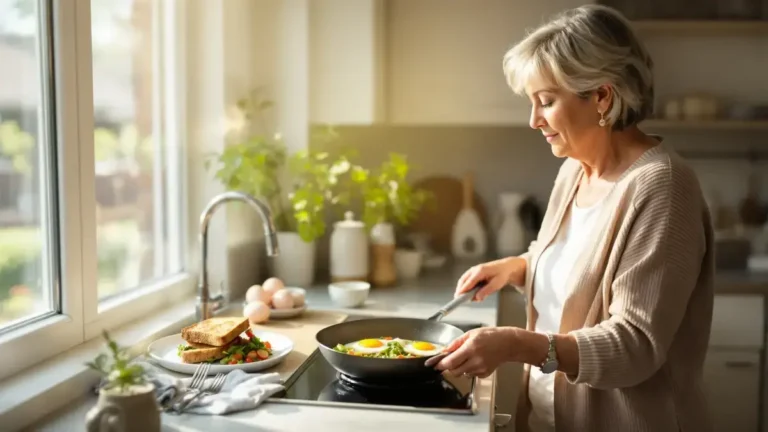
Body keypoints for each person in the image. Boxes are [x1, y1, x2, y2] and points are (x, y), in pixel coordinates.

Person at [433, 5, 715, 432]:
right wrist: (517, 267)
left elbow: (635, 345)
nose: (533, 120)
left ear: (601, 96)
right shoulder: (575, 169)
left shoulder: (664, 188)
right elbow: (582, 272)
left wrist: (514, 343)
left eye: (546, 101)